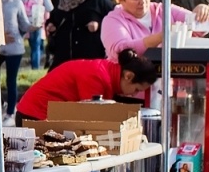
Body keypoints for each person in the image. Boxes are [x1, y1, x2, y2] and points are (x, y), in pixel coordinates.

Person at [14, 50, 159, 122]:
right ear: (129, 76)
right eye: (136, 90)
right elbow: (90, 119)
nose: (134, 94)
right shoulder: (97, 77)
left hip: (40, 115)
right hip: (34, 116)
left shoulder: (105, 70)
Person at [100, 0, 209, 59]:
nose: (143, 2)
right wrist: (161, 37)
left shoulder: (165, 10)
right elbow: (120, 50)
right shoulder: (112, 20)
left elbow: (200, 29)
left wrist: (202, 11)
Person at [43, 0, 114, 68]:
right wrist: (51, 25)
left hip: (90, 57)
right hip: (64, 57)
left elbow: (114, 19)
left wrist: (99, 24)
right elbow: (53, 18)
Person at [19, 0, 53, 70]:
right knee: (37, 46)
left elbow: (18, 4)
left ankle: (34, 63)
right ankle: (35, 67)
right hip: (38, 21)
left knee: (33, 45)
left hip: (26, 21)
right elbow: (50, 7)